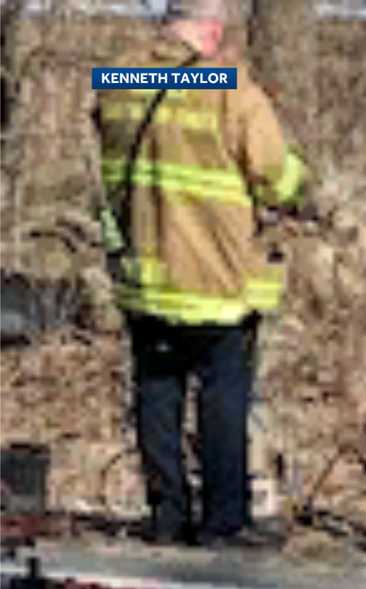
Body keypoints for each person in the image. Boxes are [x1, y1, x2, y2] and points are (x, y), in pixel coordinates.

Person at [92, 0, 309, 547]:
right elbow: (275, 176)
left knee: (157, 391)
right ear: (210, 31)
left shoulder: (117, 77)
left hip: (145, 271)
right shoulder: (228, 87)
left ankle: (166, 515)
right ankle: (223, 521)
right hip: (214, 276)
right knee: (223, 394)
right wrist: (299, 178)